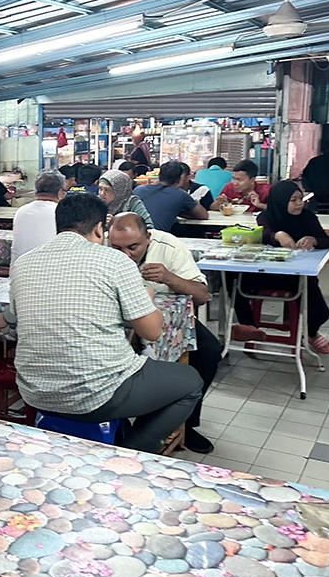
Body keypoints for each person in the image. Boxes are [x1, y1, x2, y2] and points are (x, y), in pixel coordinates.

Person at [10, 193, 203, 454]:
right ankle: (131, 450)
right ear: (100, 229)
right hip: (96, 394)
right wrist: (148, 298)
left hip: (35, 391)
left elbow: (16, 316)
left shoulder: (23, 264)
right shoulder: (114, 261)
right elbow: (152, 332)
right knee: (190, 382)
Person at [108, 213, 220, 454]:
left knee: (209, 350)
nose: (125, 255)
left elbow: (202, 295)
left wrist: (169, 278)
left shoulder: (168, 245)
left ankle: (185, 421)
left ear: (148, 237)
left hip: (170, 320)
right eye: (117, 248)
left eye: (133, 247)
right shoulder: (100, 248)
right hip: (116, 320)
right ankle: (122, 422)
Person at [231, 181, 329, 354]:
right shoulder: (266, 217)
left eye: (300, 199)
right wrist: (276, 235)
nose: (299, 203)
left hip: (296, 275)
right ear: (280, 200)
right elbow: (264, 235)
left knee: (317, 306)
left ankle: (311, 333)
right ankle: (249, 327)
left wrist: (313, 240)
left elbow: (327, 242)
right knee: (232, 277)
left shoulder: (308, 217)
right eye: (293, 200)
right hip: (267, 274)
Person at [132, 160, 208, 231]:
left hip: (132, 234)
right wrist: (178, 212)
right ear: (179, 179)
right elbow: (203, 215)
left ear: (159, 175)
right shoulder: (180, 194)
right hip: (156, 237)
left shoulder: (138, 189)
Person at [11, 169, 63, 264]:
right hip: (50, 270)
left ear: (35, 191)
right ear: (60, 193)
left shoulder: (21, 211)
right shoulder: (60, 212)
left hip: (18, 271)